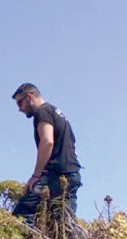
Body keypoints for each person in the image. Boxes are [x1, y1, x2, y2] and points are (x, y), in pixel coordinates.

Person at [10, 83, 81, 224]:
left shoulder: (42, 112)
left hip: (55, 174)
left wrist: (36, 175)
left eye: (20, 103)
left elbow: (47, 141)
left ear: (29, 97)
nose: (19, 109)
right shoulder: (57, 113)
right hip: (72, 174)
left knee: (23, 214)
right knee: (62, 223)